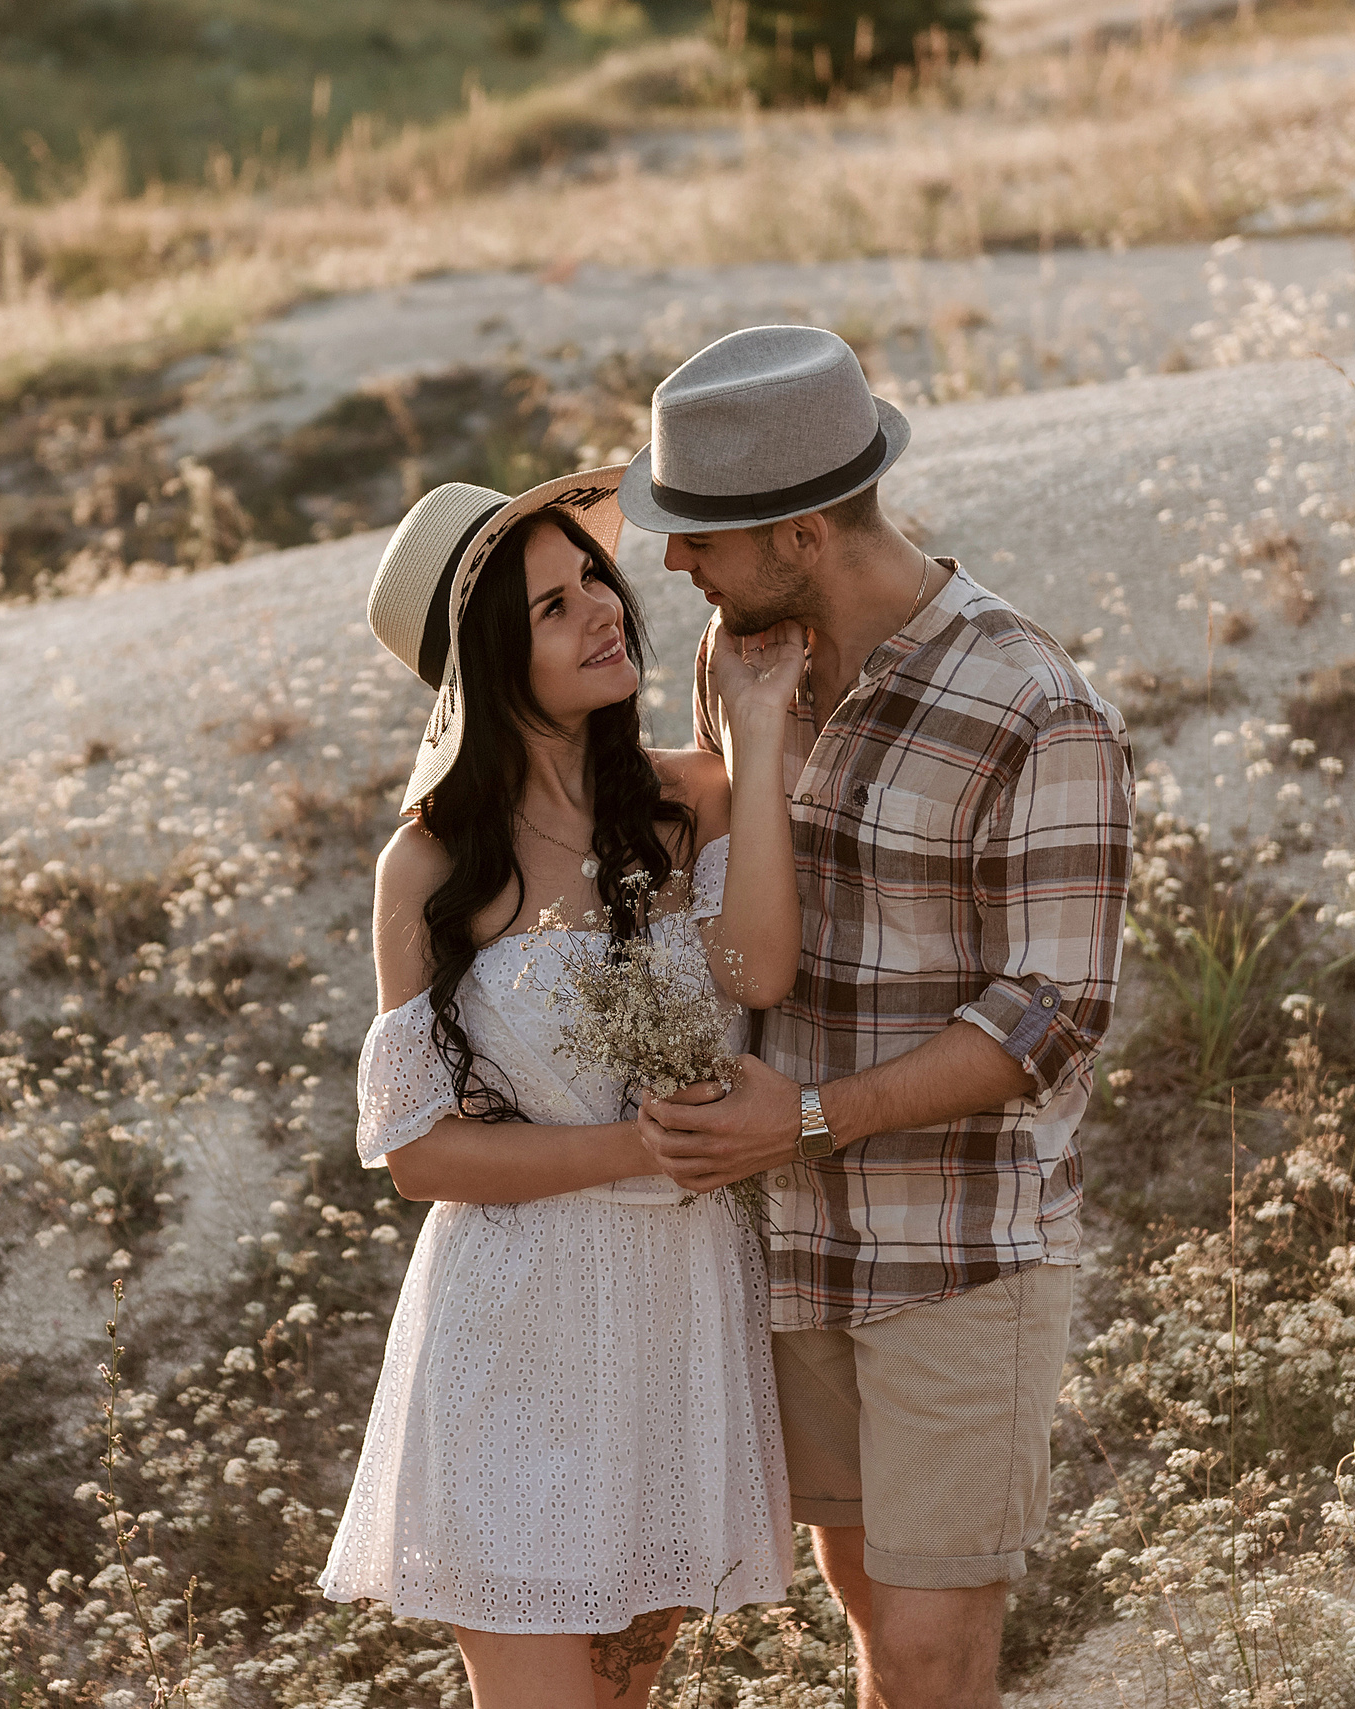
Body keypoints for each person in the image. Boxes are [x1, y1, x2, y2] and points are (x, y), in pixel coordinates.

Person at [619, 326, 1135, 1709]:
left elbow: (1050, 1020)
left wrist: (793, 1121)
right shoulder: (741, 668)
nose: (672, 563)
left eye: (698, 537)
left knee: (927, 1646)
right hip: (785, 1243)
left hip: (955, 1248)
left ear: (798, 533)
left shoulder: (1035, 707)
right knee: (861, 1608)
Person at [318, 465, 809, 1708]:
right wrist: (640, 1151)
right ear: (487, 659)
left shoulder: (684, 797)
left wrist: (751, 746)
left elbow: (759, 963)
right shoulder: (430, 860)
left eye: (592, 576)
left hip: (673, 1319)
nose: (602, 606)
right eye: (549, 605)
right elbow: (421, 1155)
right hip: (512, 1325)